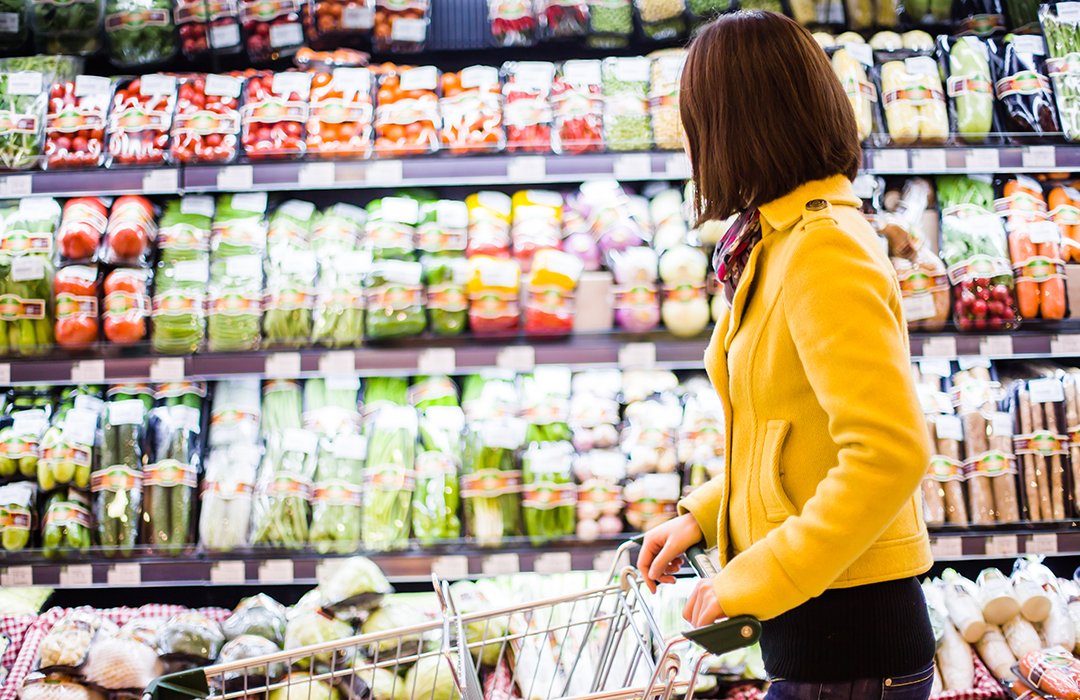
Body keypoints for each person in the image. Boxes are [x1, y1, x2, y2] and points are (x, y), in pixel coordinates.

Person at [636, 10, 937, 700]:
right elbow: (797, 436)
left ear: (734, 125)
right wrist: (706, 515)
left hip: (852, 641)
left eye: (695, 119)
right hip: (819, 638)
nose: (688, 141)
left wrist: (753, 576)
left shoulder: (821, 248)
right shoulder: (774, 241)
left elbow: (888, 453)